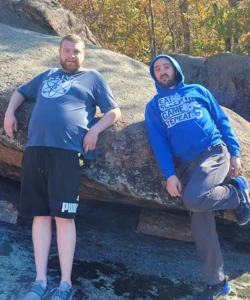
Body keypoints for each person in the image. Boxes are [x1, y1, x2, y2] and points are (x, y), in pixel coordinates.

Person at [4, 34, 121, 300]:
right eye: (67, 50)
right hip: (35, 150)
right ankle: (40, 281)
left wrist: (95, 130)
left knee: (64, 217)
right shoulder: (46, 75)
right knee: (40, 215)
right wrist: (9, 113)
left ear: (83, 55)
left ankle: (65, 284)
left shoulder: (93, 78)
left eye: (77, 51)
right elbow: (20, 92)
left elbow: (114, 111)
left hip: (67, 153)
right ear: (59, 52)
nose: (71, 55)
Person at [145, 54, 250, 300]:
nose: (162, 72)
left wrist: (235, 153)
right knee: (200, 225)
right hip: (186, 166)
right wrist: (169, 174)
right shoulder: (154, 106)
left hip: (213, 152)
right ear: (154, 76)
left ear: (176, 69)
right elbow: (158, 142)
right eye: (157, 69)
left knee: (193, 199)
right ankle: (216, 283)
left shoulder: (197, 91)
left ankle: (236, 193)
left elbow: (222, 121)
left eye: (166, 67)